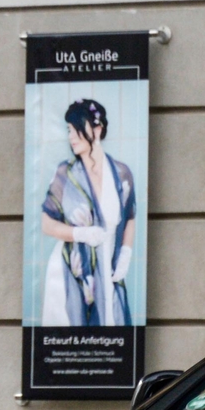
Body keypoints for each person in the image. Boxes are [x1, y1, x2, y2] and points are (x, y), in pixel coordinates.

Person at [38, 97, 136, 327]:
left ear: (97, 129)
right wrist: (79, 234)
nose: (71, 136)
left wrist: (126, 254)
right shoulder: (66, 173)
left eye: (76, 129)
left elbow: (130, 216)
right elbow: (46, 223)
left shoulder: (121, 173)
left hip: (109, 269)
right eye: (68, 130)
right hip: (68, 270)